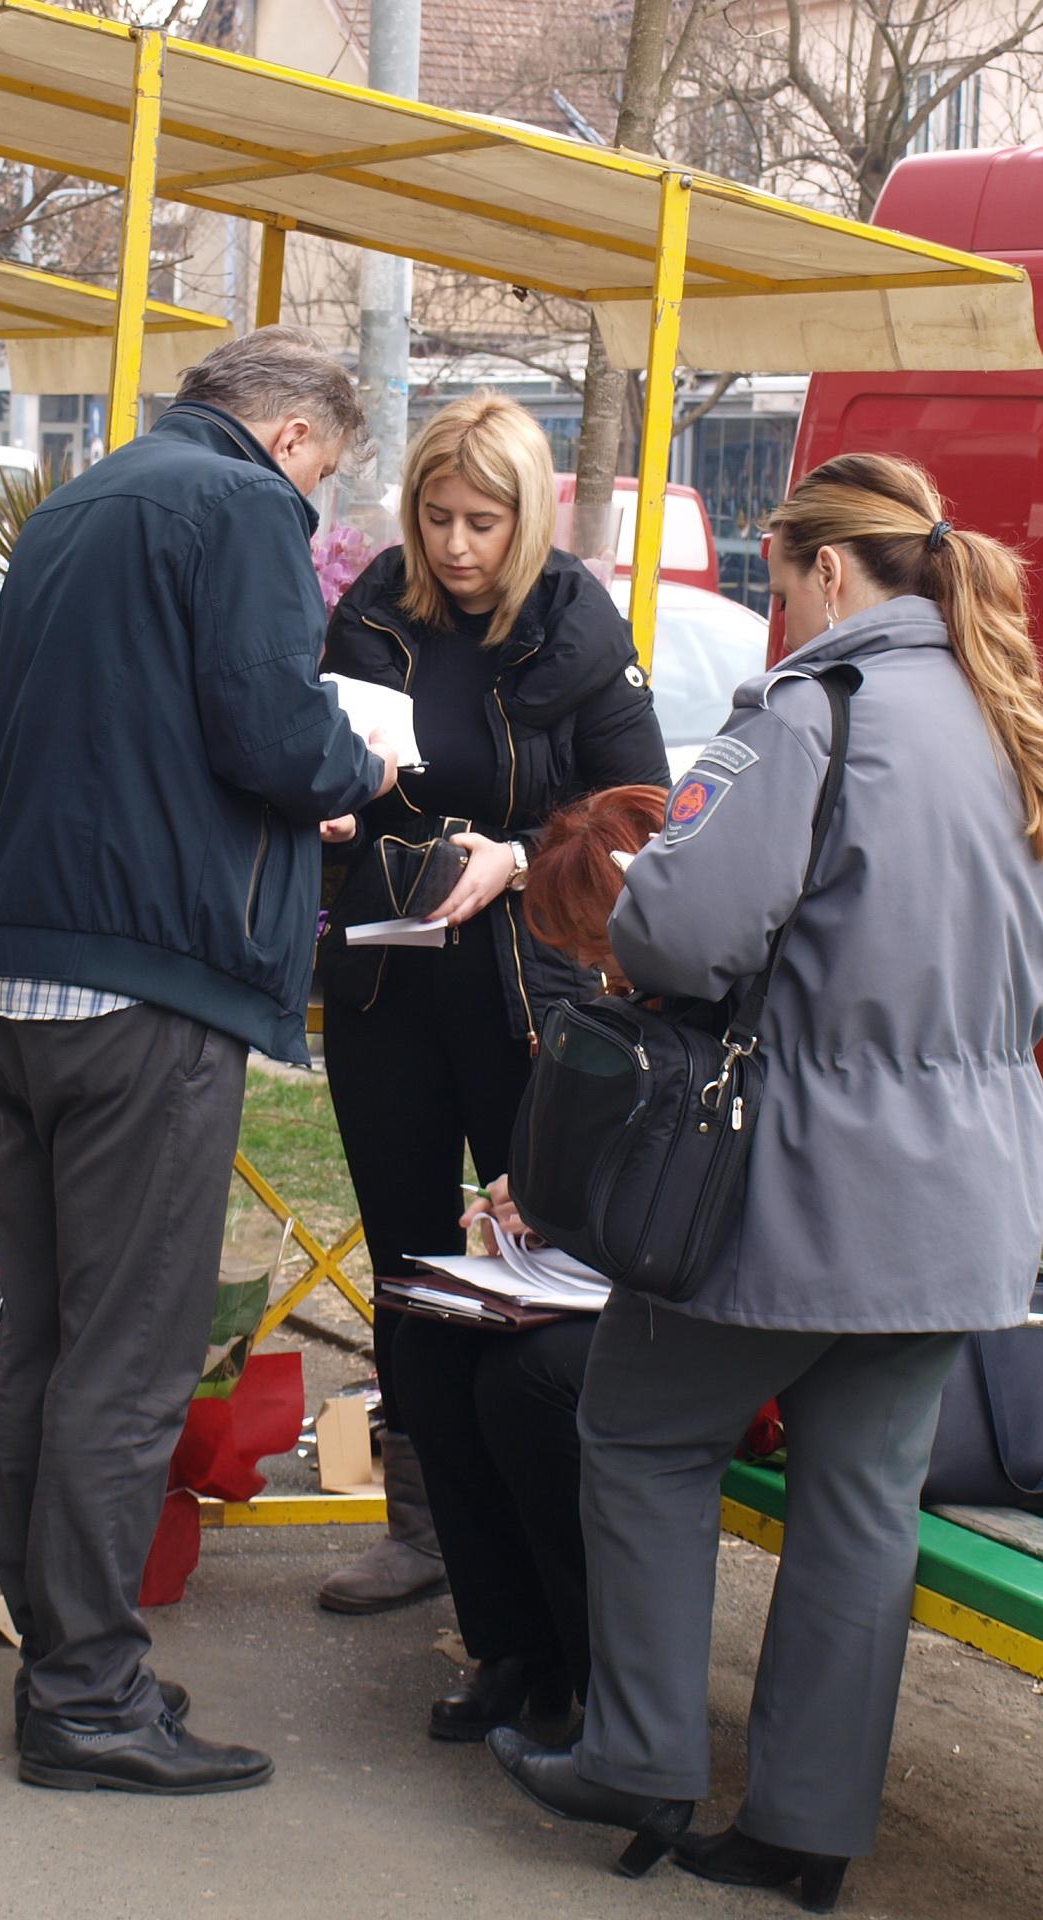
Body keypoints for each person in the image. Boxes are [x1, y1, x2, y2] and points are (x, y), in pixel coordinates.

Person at [487, 451, 1043, 1912]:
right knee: (863, 1507)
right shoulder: (1013, 719)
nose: (772, 616)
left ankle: (637, 1756)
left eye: (775, 582)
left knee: (638, 1431)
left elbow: (685, 937)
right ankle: (803, 1830)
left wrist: (642, 888)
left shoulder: (810, 712)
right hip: (967, 1195)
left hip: (795, 1177)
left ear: (826, 571)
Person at [0, 327, 398, 1798]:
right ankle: (86, 1697)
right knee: (130, 1360)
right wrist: (364, 768)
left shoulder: (83, 502)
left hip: (20, 971)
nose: (319, 502)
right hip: (149, 987)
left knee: (47, 1340)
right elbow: (275, 735)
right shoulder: (244, 511)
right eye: (325, 476)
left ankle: (61, 1659)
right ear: (289, 438)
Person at [311, 394, 668, 1726]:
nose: (456, 546)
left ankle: (577, 1649)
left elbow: (646, 813)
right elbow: (322, 759)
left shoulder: (576, 623)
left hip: (536, 1000)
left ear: (530, 519)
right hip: (389, 984)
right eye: (436, 519)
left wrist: (520, 858)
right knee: (414, 1293)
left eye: (482, 521)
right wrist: (333, 809)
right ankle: (491, 1629)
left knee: (537, 1305)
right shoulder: (376, 615)